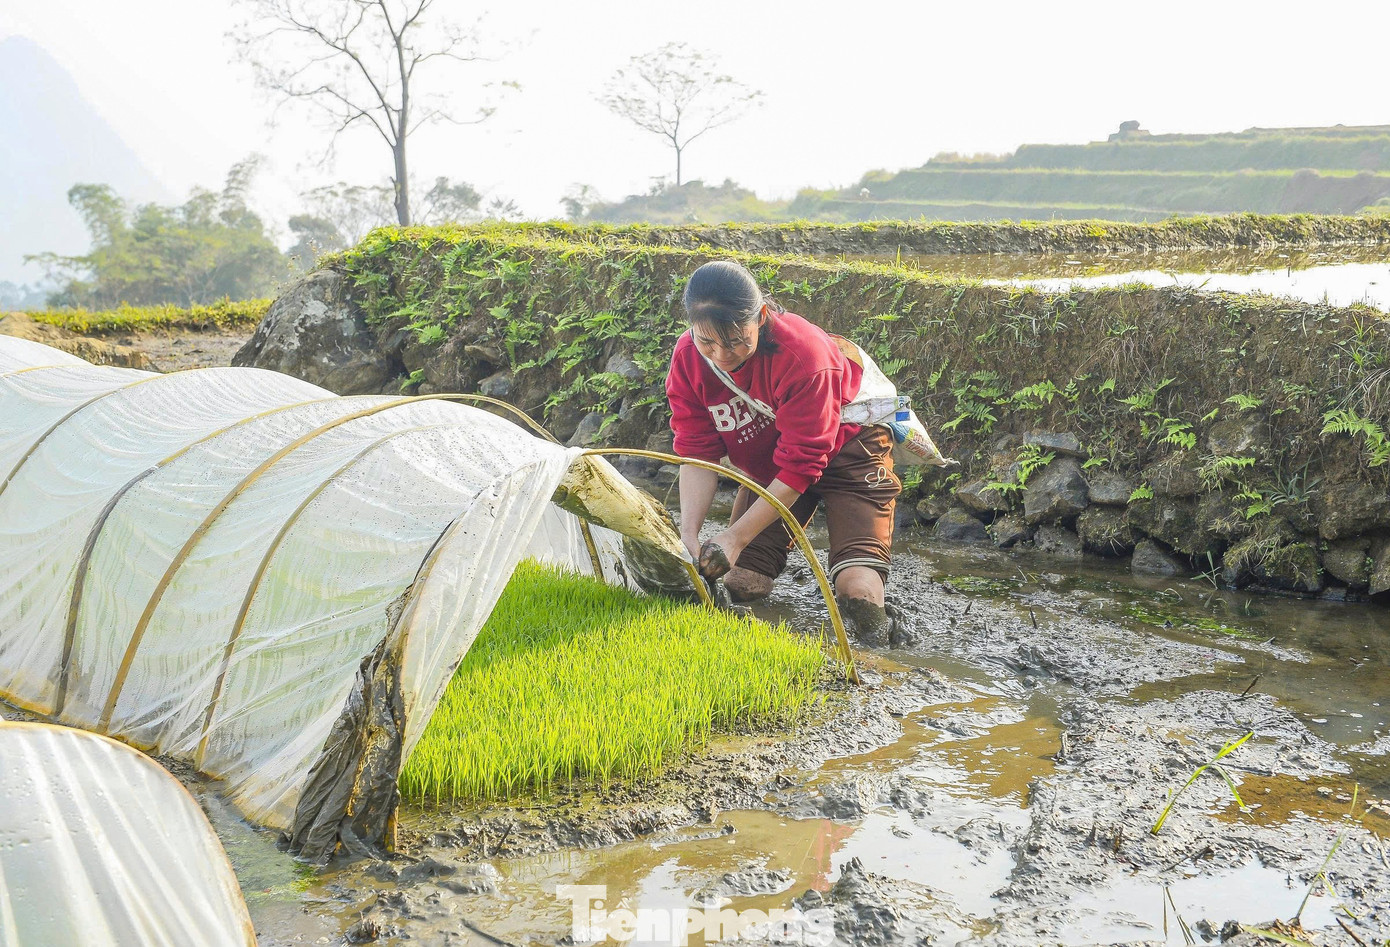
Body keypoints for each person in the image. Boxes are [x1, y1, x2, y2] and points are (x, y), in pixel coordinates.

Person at [665, 260, 903, 643]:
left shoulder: (804, 356)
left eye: (735, 340)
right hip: (776, 465)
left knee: (856, 594)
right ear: (692, 327)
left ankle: (881, 657)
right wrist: (688, 536)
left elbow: (802, 464)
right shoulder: (689, 357)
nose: (722, 355)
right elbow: (696, 451)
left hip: (850, 453)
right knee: (742, 582)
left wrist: (737, 537)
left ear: (760, 317)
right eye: (708, 341)